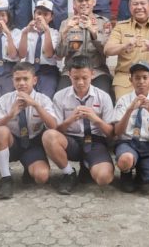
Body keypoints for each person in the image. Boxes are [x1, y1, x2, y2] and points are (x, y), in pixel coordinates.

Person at [42, 56, 115, 195]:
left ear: (92, 75)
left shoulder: (103, 97)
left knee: (104, 178)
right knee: (48, 135)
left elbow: (111, 133)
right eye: (75, 78)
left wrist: (95, 119)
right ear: (69, 75)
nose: (80, 82)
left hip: (95, 142)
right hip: (71, 141)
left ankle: (87, 166)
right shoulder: (60, 96)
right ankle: (69, 173)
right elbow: (55, 130)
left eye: (84, 77)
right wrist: (70, 119)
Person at [0, 61, 57, 199]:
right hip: (13, 143)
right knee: (1, 131)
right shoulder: (5, 100)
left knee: (41, 177)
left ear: (34, 80)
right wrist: (9, 115)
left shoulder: (42, 99)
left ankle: (28, 167)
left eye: (25, 79)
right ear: (12, 81)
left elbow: (53, 126)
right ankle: (6, 178)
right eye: (17, 79)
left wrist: (36, 106)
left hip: (32, 144)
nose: (21, 83)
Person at [112, 61, 149, 194]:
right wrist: (130, 110)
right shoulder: (124, 101)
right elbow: (118, 132)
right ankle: (126, 172)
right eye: (137, 78)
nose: (141, 81)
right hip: (127, 143)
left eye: (144, 77)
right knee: (126, 159)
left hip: (148, 146)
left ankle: (142, 171)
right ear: (131, 80)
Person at [57, 0, 113, 96]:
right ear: (74, 3)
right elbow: (59, 54)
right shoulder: (66, 23)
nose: (83, 3)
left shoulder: (104, 23)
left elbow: (106, 51)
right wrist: (64, 32)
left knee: (104, 95)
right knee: (60, 95)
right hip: (71, 72)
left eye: (87, 0)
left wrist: (93, 31)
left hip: (97, 71)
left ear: (94, 2)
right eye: (80, 0)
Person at [18, 0, 61, 99]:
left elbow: (49, 53)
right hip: (29, 69)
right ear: (34, 14)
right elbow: (21, 55)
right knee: (25, 98)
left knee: (46, 98)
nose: (41, 17)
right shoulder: (25, 31)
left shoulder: (54, 33)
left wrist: (46, 30)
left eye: (45, 14)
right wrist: (25, 33)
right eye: (39, 13)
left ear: (51, 17)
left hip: (48, 70)